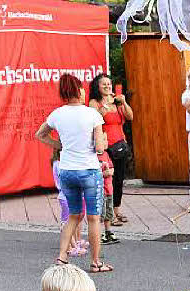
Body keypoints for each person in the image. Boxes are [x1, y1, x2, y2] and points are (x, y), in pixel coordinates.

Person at [35, 73, 111, 274]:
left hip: (67, 170)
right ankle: (95, 262)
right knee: (94, 218)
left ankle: (62, 256)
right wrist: (103, 141)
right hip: (89, 170)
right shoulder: (92, 114)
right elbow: (99, 149)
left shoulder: (57, 114)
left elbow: (40, 134)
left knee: (74, 215)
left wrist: (59, 145)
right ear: (79, 90)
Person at [88, 73, 133, 225]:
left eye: (109, 84)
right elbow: (95, 118)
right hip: (106, 146)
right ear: (98, 87)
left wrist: (124, 102)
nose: (108, 86)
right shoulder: (95, 102)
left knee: (119, 179)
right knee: (108, 180)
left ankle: (117, 210)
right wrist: (107, 104)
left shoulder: (117, 101)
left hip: (120, 144)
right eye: (104, 84)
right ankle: (107, 215)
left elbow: (130, 117)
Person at [99, 149, 119, 245]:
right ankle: (98, 233)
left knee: (108, 211)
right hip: (99, 190)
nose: (105, 142)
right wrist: (103, 173)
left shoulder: (106, 154)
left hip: (108, 188)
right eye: (103, 140)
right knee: (100, 213)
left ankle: (108, 231)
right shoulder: (92, 156)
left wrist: (110, 171)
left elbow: (112, 168)